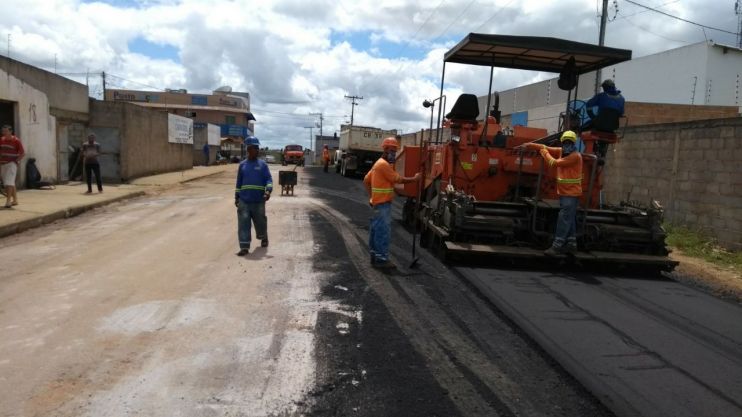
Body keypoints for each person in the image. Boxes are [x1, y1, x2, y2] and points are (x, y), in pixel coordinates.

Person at [363, 137, 421, 269]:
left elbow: (366, 180)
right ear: (385, 149)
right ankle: (382, 259)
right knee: (383, 231)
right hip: (382, 204)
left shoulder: (378, 164)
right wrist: (415, 179)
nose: (393, 153)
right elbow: (398, 179)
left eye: (395, 150)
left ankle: (374, 255)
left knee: (375, 229)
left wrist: (371, 197)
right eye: (391, 150)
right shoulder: (383, 165)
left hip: (378, 203)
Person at [524, 130, 583, 256]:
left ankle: (557, 246)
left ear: (574, 143)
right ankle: (572, 244)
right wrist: (530, 145)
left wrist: (543, 153)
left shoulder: (574, 156)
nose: (567, 144)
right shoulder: (562, 152)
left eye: (569, 142)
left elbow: (553, 163)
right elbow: (546, 147)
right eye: (565, 142)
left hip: (571, 194)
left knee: (564, 219)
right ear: (562, 143)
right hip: (564, 193)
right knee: (569, 218)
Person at [235, 136, 273, 256]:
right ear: (248, 149)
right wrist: (236, 197)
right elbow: (238, 183)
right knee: (243, 223)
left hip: (258, 200)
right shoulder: (242, 165)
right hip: (244, 200)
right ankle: (244, 247)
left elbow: (269, 179)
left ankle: (263, 237)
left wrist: (268, 191)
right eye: (254, 148)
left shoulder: (263, 165)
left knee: (260, 222)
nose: (257, 150)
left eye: (257, 148)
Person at [0, 125, 25, 208]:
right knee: (10, 182)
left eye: (6, 131)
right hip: (3, 164)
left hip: (11, 164)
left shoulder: (16, 141)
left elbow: (22, 153)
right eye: (3, 131)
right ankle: (15, 200)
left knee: (8, 183)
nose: (4, 133)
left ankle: (8, 201)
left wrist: (16, 161)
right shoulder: (1, 140)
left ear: (10, 132)